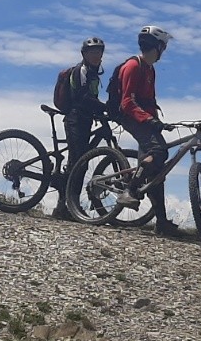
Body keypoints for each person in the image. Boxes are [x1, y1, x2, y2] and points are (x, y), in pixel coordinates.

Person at [116, 25, 180, 237]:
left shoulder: (149, 69)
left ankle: (161, 222)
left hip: (143, 118)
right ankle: (130, 190)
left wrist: (158, 122)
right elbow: (127, 102)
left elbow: (148, 102)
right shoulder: (133, 66)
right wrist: (149, 120)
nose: (164, 51)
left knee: (156, 170)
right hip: (129, 116)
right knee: (159, 152)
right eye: (164, 46)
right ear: (157, 46)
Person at [53, 37, 109, 220]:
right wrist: (105, 108)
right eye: (92, 52)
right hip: (75, 120)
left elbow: (90, 100)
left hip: (84, 120)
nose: (96, 56)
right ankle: (66, 207)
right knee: (78, 163)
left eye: (99, 52)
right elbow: (82, 98)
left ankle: (67, 206)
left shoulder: (94, 74)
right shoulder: (81, 71)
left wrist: (101, 111)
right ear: (84, 54)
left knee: (78, 163)